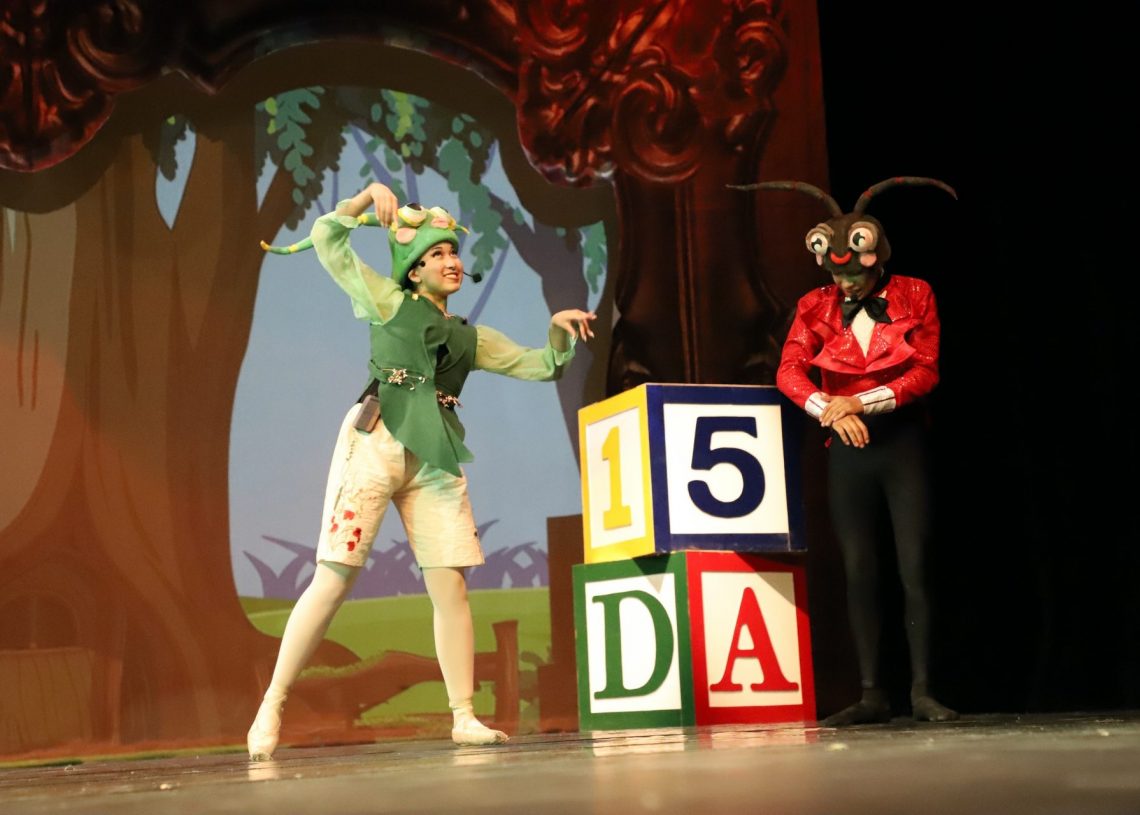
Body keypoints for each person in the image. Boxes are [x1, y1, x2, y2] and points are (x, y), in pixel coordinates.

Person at [247, 181, 596, 758]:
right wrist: (365, 198)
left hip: (436, 453)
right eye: (436, 254)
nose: (451, 261)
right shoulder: (387, 300)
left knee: (450, 585)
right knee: (334, 578)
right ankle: (273, 702)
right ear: (414, 271)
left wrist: (557, 332)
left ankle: (463, 715)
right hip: (375, 441)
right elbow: (327, 239)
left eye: (453, 252)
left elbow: (540, 365)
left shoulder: (470, 337)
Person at [761, 177, 959, 726]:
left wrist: (861, 403)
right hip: (847, 448)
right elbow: (789, 371)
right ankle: (872, 692)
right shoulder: (814, 305)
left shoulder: (915, 293)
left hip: (902, 442)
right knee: (858, 568)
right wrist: (831, 408)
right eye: (837, 274)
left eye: (854, 274)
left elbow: (925, 370)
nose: (846, 283)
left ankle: (923, 690)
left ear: (877, 259)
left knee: (914, 565)